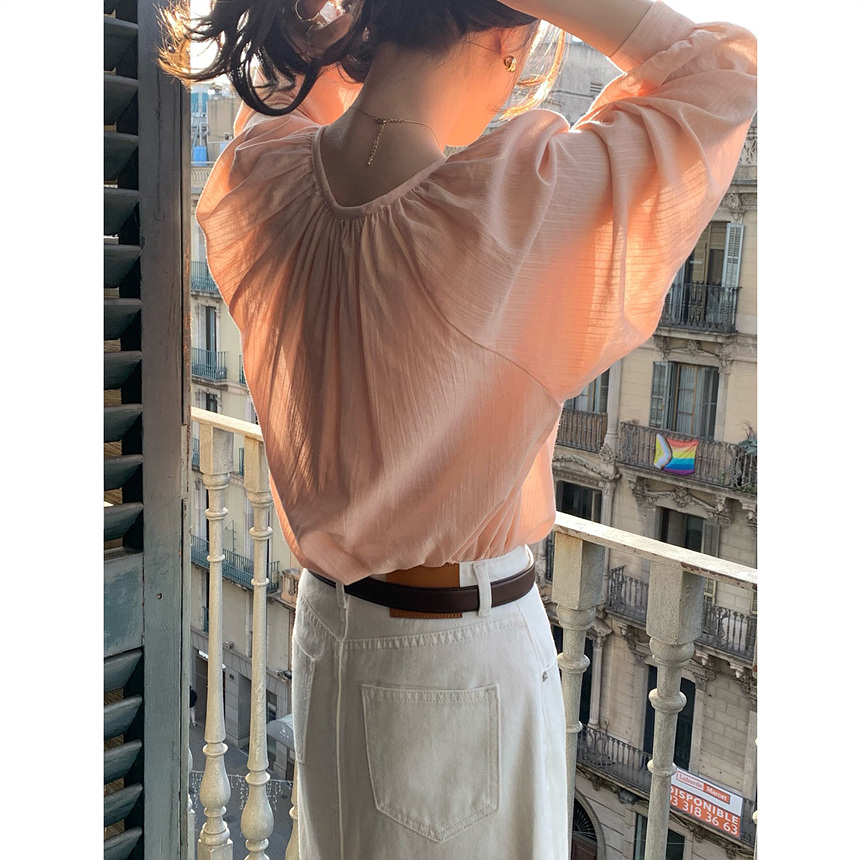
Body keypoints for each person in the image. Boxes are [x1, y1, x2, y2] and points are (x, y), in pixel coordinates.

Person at [161, 1, 756, 857]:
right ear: (509, 40)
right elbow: (719, 73)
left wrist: (351, 31)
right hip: (455, 657)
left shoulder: (263, 177)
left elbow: (306, 87)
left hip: (332, 638)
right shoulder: (502, 208)